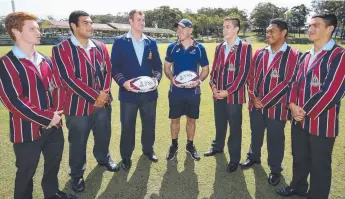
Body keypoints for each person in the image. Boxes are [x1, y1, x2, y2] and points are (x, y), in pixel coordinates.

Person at [0, 12, 75, 199]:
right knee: (26, 173)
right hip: (26, 131)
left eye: (38, 28)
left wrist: (56, 115)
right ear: (16, 32)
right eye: (32, 28)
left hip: (54, 128)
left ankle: (52, 194)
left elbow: (57, 88)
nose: (38, 31)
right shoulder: (6, 63)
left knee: (52, 166)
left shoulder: (45, 59)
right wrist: (47, 118)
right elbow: (13, 101)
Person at [276, 14, 345, 199]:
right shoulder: (305, 55)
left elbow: (331, 92)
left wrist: (303, 112)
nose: (311, 29)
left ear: (330, 28)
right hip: (299, 120)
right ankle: (297, 187)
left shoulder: (339, 55)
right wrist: (291, 104)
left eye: (316, 25)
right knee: (299, 158)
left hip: (322, 123)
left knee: (319, 165)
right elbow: (293, 84)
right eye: (309, 26)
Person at [52, 10, 119, 193]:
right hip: (77, 106)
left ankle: (104, 159)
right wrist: (95, 96)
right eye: (86, 23)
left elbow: (108, 70)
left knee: (104, 134)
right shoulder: (61, 49)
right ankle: (77, 174)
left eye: (91, 22)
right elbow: (68, 78)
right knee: (78, 141)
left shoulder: (99, 45)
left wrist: (104, 92)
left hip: (103, 103)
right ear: (74, 26)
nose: (91, 26)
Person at [241, 18, 300, 186]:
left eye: (272, 31)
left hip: (278, 107)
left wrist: (264, 100)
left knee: (275, 139)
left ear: (283, 33)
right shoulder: (260, 52)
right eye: (267, 31)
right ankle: (253, 157)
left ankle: (275, 169)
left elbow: (289, 82)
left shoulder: (293, 54)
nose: (268, 34)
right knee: (256, 133)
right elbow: (250, 76)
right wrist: (253, 96)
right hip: (256, 104)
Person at [111, 9, 163, 171]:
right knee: (127, 126)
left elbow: (158, 67)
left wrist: (156, 80)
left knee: (149, 124)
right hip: (128, 94)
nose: (142, 22)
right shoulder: (120, 41)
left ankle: (148, 150)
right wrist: (124, 83)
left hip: (149, 95)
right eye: (139, 19)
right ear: (131, 21)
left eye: (143, 20)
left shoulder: (151, 42)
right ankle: (126, 156)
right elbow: (115, 68)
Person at [204, 17, 251, 173]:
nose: (224, 30)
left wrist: (227, 91)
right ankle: (217, 147)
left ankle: (234, 159)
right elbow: (215, 70)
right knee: (220, 123)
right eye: (223, 27)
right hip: (218, 94)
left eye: (228, 27)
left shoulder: (244, 47)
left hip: (233, 97)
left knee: (235, 128)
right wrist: (213, 86)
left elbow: (243, 74)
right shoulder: (219, 47)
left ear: (236, 29)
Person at [164, 19, 209, 161]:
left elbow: (205, 69)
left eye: (182, 28)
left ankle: (190, 145)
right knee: (175, 119)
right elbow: (166, 67)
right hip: (175, 92)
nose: (179, 31)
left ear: (190, 30)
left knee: (191, 120)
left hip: (193, 92)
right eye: (178, 28)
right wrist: (172, 79)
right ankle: (174, 145)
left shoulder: (200, 48)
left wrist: (198, 81)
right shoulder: (172, 47)